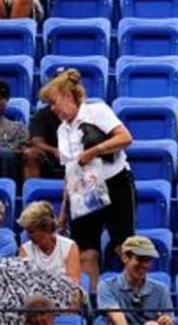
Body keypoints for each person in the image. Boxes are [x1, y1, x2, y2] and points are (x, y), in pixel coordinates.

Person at [39, 69, 135, 288]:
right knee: (86, 252)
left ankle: (128, 298)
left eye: (54, 103)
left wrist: (94, 151)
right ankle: (92, 305)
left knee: (124, 247)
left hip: (114, 183)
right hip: (83, 191)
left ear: (68, 95)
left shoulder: (96, 111)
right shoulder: (62, 130)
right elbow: (70, 172)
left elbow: (125, 138)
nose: (52, 109)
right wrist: (63, 211)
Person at [97, 235, 174, 325]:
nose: (144, 265)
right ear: (125, 258)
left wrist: (167, 321)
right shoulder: (107, 287)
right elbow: (118, 320)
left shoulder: (161, 290)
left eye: (148, 260)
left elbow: (170, 319)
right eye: (140, 259)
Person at [18, 201, 81, 287]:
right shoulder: (25, 249)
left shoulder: (69, 246)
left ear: (47, 227)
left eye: (31, 232)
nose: (28, 236)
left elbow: (73, 283)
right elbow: (24, 283)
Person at [23, 103, 65, 180]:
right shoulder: (42, 115)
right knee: (31, 154)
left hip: (80, 154)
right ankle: (33, 189)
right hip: (50, 156)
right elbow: (36, 141)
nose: (53, 108)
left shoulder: (85, 115)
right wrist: (54, 150)